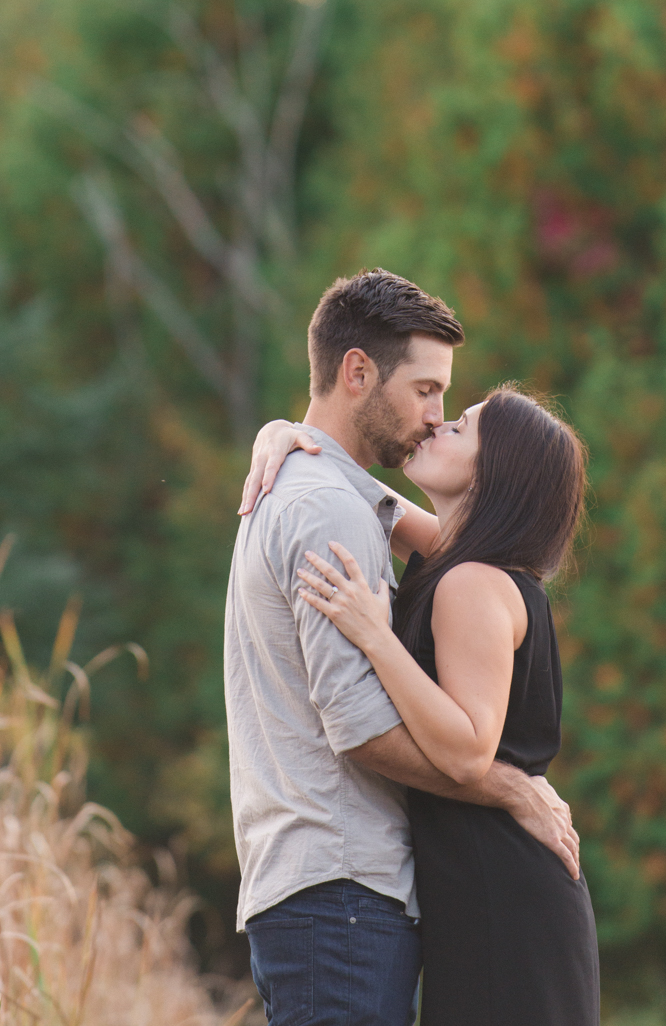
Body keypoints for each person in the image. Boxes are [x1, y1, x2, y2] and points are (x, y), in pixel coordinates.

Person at [225, 269, 580, 1026]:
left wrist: (302, 441)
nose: (435, 418)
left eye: (454, 415)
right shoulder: (364, 523)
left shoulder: (463, 576)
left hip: (426, 889)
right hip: (359, 889)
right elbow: (367, 502)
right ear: (358, 372)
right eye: (427, 393)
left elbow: (462, 744)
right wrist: (289, 436)